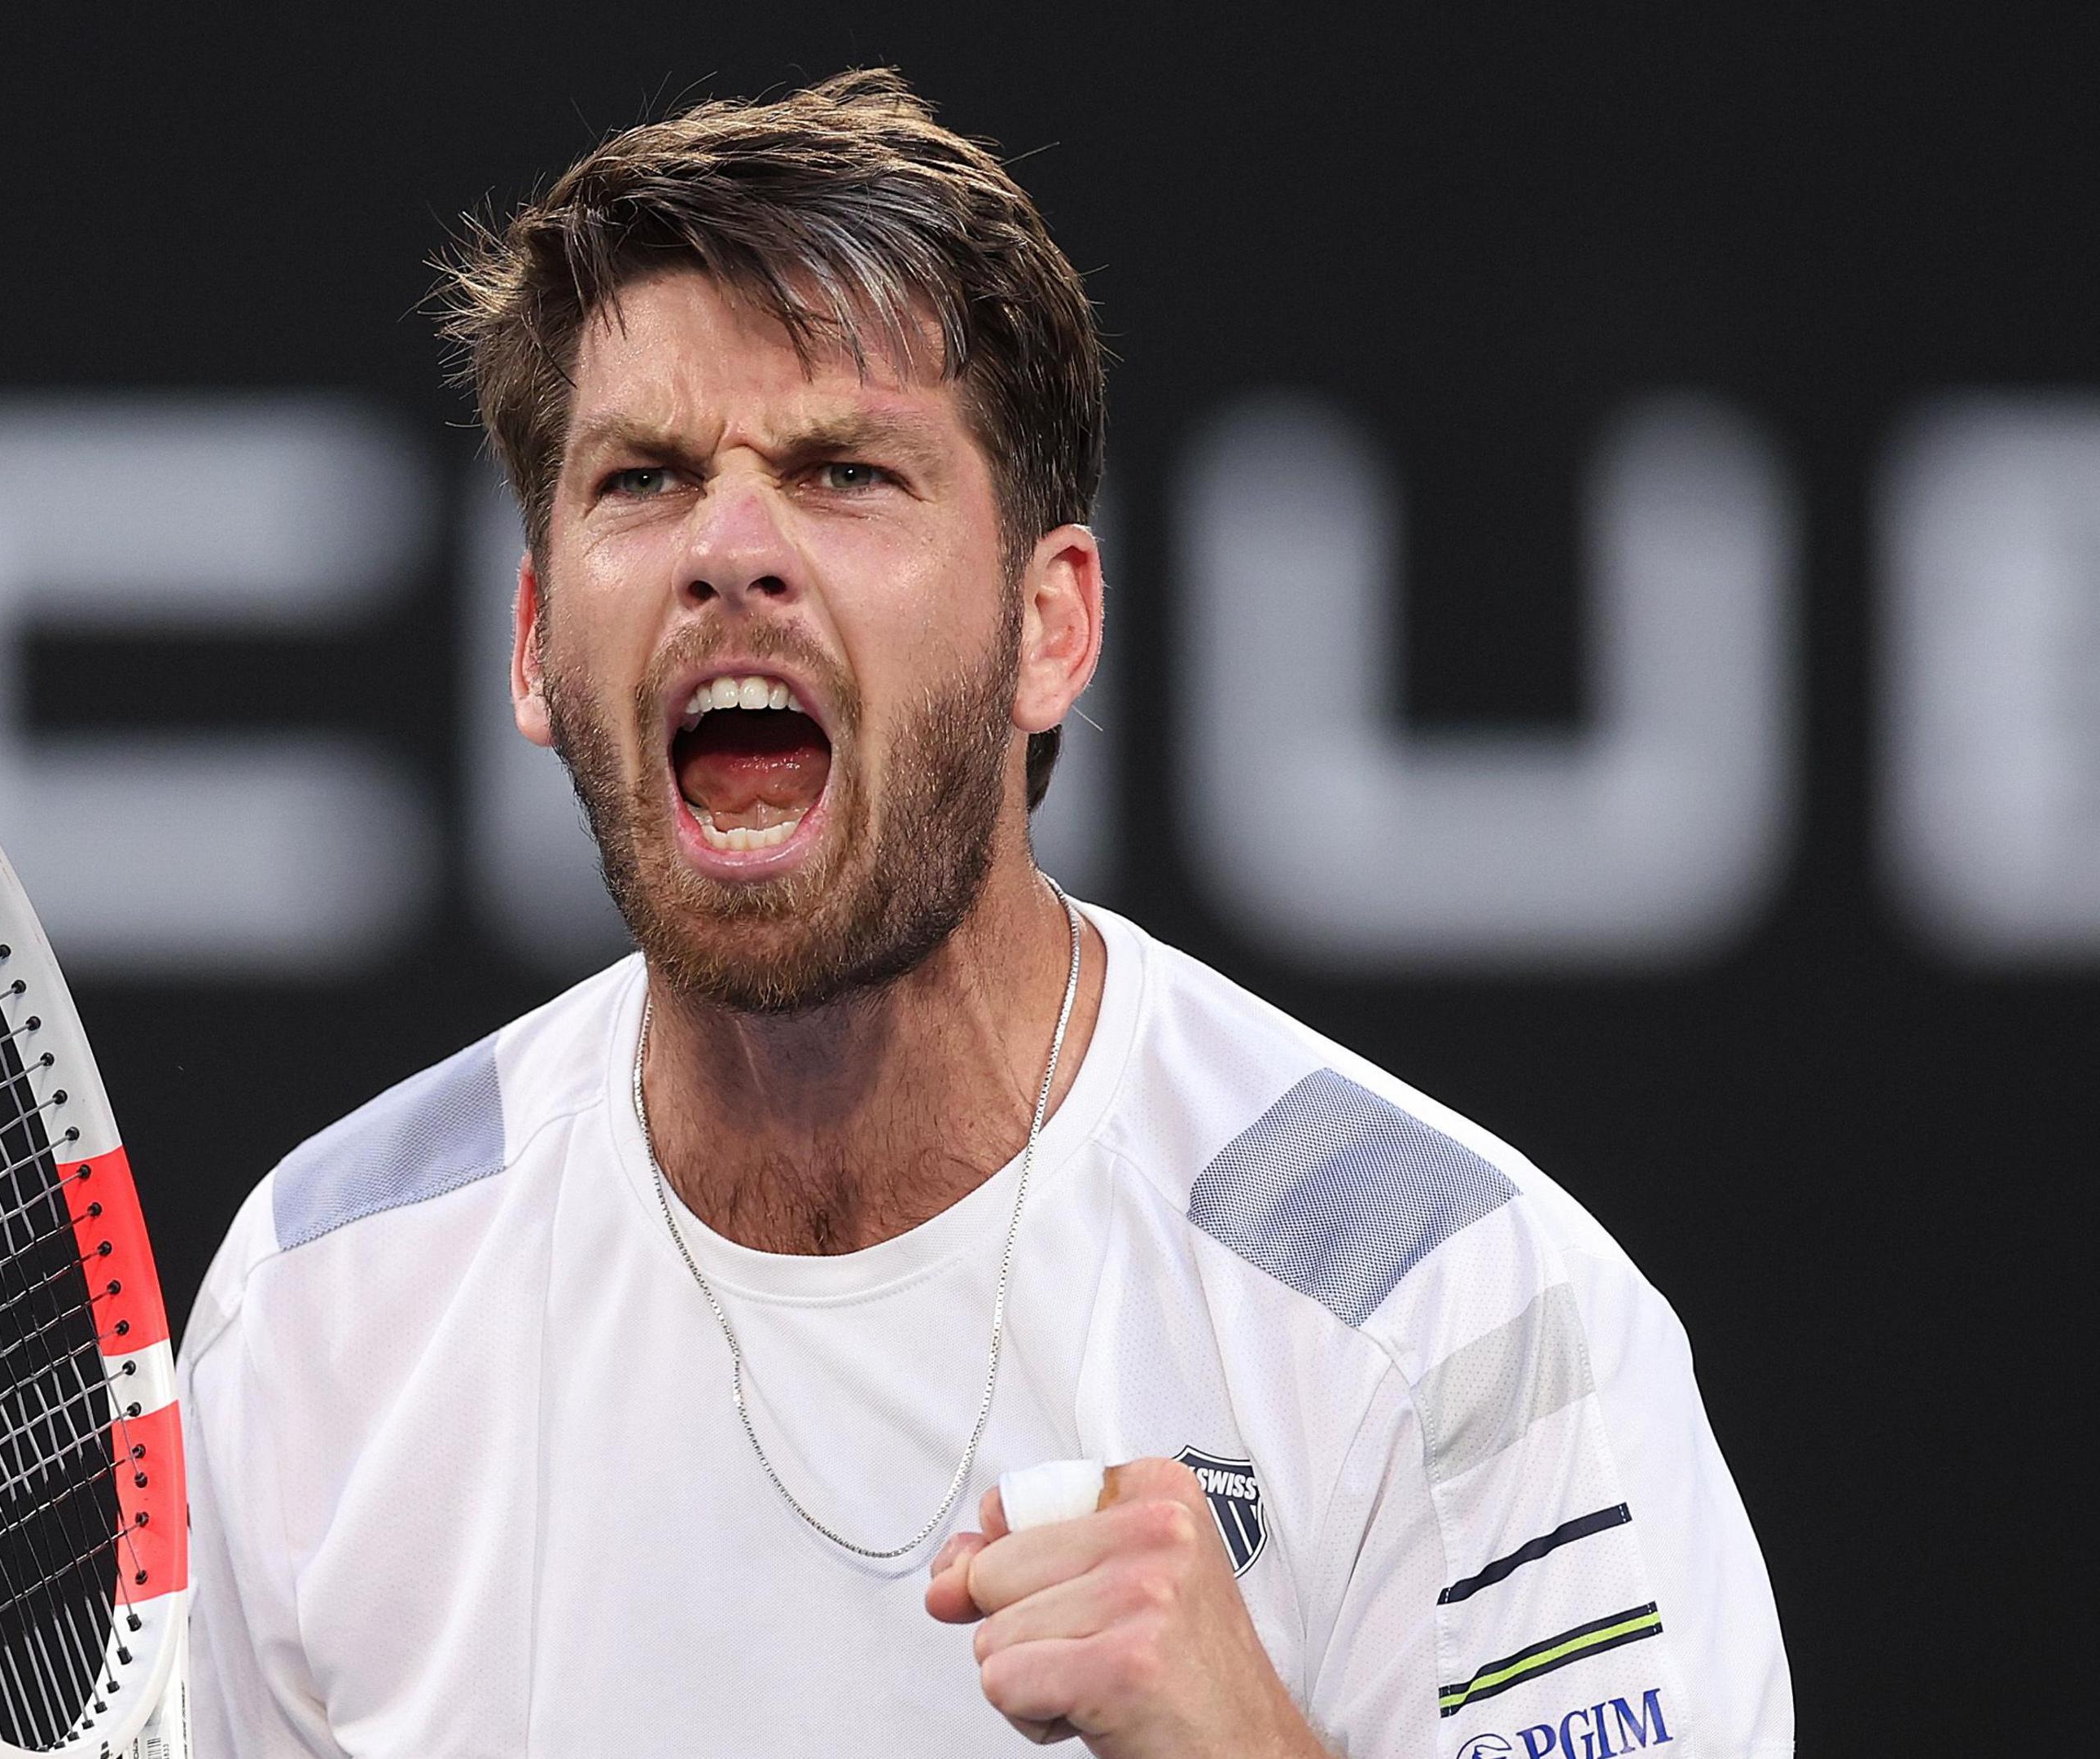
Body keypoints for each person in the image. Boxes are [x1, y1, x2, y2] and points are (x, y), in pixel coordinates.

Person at [180, 70, 1791, 1757]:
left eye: (846, 473)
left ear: (1051, 628)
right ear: (530, 643)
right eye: (644, 480)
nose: (732, 549)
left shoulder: (1442, 1306)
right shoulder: (328, 1305)